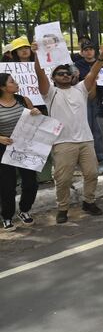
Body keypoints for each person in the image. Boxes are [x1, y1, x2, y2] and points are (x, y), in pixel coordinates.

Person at [35, 57, 103, 224]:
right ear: (53, 78)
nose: (65, 75)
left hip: (86, 140)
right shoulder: (50, 93)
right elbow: (39, 73)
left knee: (92, 173)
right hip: (63, 143)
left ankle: (89, 202)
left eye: (67, 73)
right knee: (63, 179)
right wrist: (37, 55)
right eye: (60, 73)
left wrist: (100, 58)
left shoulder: (81, 89)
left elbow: (93, 73)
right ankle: (63, 208)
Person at [0, 74, 40, 231]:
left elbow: (37, 121)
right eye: (12, 82)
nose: (16, 83)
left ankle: (24, 210)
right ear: (3, 87)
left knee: (31, 183)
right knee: (7, 186)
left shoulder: (23, 100)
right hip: (4, 147)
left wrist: (36, 112)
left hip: (25, 145)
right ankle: (7, 216)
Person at [72, 38, 103, 169]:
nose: (89, 52)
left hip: (100, 98)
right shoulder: (77, 64)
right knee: (85, 128)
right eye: (86, 50)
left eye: (91, 49)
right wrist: (76, 76)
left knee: (98, 128)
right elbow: (73, 82)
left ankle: (101, 156)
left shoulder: (102, 63)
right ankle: (86, 157)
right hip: (83, 100)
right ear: (81, 52)